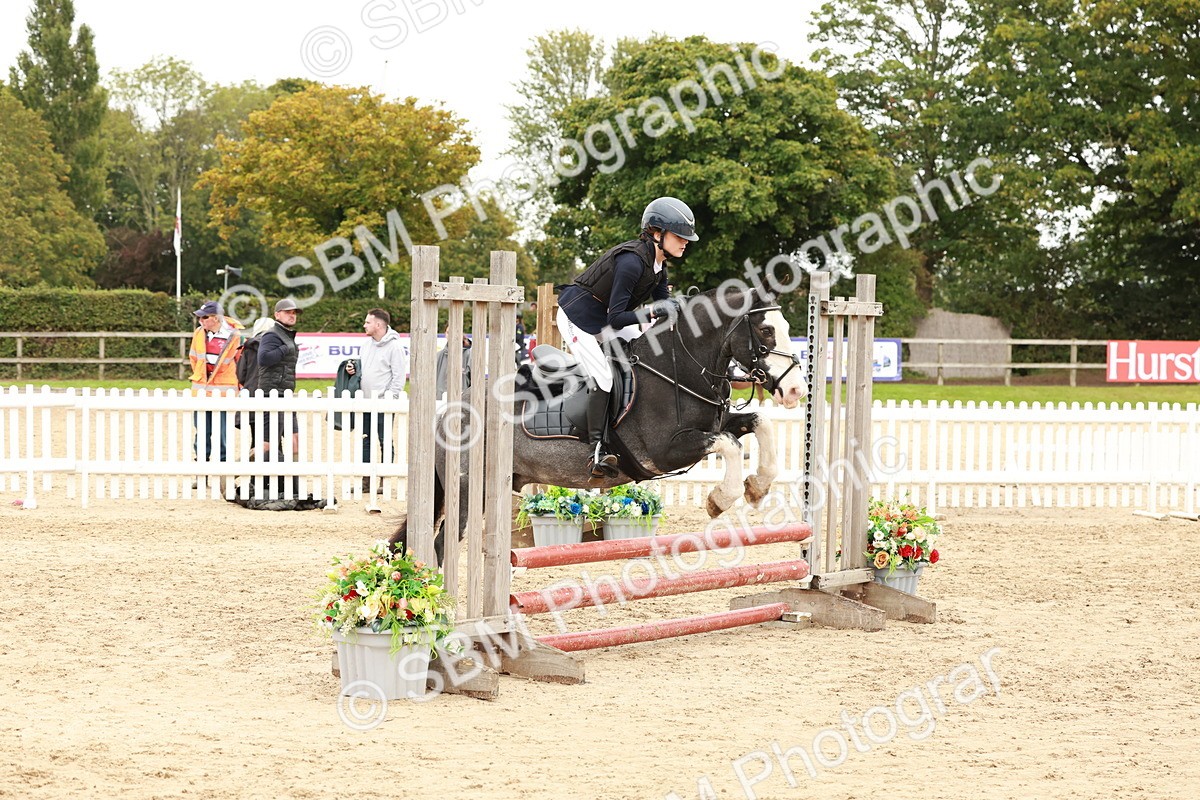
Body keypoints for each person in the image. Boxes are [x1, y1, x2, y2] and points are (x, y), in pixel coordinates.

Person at [555, 196, 698, 478]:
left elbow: (662, 311)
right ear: (657, 234)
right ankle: (596, 450)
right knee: (604, 377)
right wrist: (654, 311)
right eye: (679, 236)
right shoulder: (632, 262)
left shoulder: (658, 266)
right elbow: (617, 318)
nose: (685, 242)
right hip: (577, 318)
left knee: (648, 350)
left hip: (604, 318)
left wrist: (679, 311)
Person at [344, 308, 408, 492]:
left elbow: (398, 377)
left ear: (378, 324)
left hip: (384, 403)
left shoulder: (395, 347)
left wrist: (390, 400)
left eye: (367, 322)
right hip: (365, 401)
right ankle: (366, 481)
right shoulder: (365, 345)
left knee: (385, 440)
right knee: (365, 440)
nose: (364, 325)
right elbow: (363, 369)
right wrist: (352, 369)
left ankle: (385, 481)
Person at [187, 300, 243, 489]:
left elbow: (239, 362)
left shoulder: (234, 336)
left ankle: (221, 474)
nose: (201, 321)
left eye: (205, 317)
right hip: (202, 392)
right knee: (202, 434)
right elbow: (194, 359)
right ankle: (201, 473)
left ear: (216, 318)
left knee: (222, 435)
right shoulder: (198, 333)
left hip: (224, 391)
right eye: (199, 317)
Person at [256, 298, 302, 464]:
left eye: (294, 312)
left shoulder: (286, 335)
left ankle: (295, 486)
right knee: (268, 443)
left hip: (286, 394)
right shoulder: (272, 334)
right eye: (288, 312)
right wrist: (285, 348)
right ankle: (235, 472)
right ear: (277, 314)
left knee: (294, 440)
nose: (292, 315)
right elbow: (263, 359)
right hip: (272, 393)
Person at [435, 329, 473, 400]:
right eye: (448, 332)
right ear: (445, 334)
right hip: (440, 401)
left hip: (462, 401)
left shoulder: (469, 355)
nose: (451, 335)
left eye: (455, 331)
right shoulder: (438, 356)